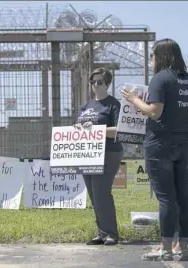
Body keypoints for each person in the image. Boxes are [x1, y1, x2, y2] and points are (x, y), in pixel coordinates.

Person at [121, 38, 188, 261]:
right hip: (185, 144)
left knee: (166, 198)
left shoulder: (161, 79)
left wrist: (134, 99)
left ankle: (165, 247)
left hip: (160, 145)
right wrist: (181, 130)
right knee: (185, 195)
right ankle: (182, 246)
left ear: (161, 57)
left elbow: (154, 111)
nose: (151, 60)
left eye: (153, 55)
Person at [74, 67, 123, 246]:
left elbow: (118, 130)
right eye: (93, 82)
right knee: (94, 194)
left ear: (107, 84)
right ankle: (102, 233)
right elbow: (80, 127)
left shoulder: (113, 104)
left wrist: (95, 130)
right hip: (88, 153)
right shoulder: (86, 106)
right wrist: (77, 129)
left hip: (109, 152)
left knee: (102, 192)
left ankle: (111, 233)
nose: (95, 85)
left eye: (100, 82)